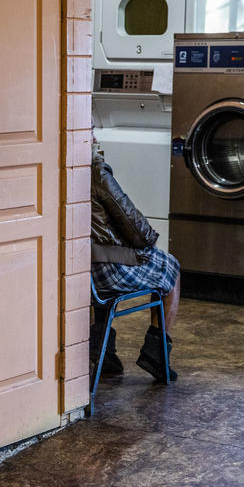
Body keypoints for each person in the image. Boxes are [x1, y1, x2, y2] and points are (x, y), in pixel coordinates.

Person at [90, 145, 181, 383]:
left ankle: (103, 351)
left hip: (79, 270)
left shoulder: (58, 169)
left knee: (104, 287)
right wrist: (148, 240)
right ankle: (156, 353)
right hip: (106, 268)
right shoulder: (95, 171)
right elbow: (127, 216)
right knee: (170, 267)